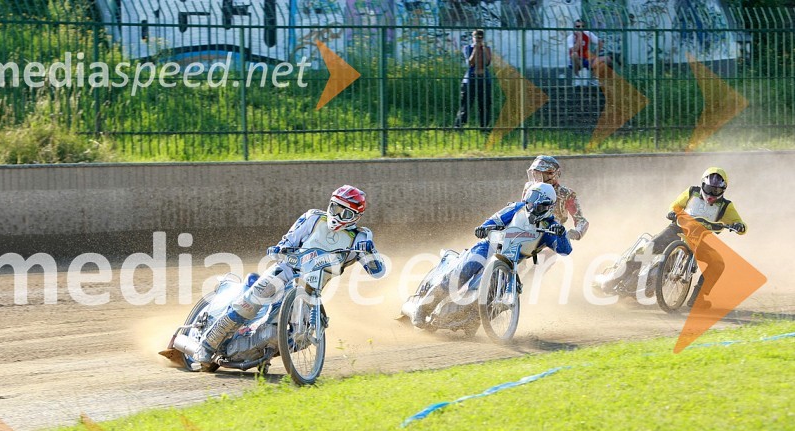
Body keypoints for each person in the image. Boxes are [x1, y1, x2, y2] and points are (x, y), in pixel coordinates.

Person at [192, 185, 386, 367]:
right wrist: (281, 248)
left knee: (300, 336)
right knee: (250, 303)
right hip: (286, 271)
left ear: (356, 217)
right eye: (334, 208)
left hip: (311, 290)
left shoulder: (361, 238)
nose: (336, 215)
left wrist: (369, 252)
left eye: (344, 213)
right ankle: (207, 345)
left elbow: (377, 272)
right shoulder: (313, 218)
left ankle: (263, 350)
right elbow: (288, 240)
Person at [412, 182, 572, 327]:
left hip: (514, 261)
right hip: (489, 246)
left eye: (538, 202)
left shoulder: (552, 226)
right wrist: (484, 227)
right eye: (531, 199)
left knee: (497, 290)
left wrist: (561, 233)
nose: (532, 205)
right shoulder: (517, 208)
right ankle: (423, 308)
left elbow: (565, 250)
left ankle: (472, 319)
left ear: (548, 206)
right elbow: (495, 219)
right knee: (464, 270)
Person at [647, 166, 747, 308]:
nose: (712, 193)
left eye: (716, 190)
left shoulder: (726, 206)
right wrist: (671, 212)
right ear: (702, 184)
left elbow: (740, 224)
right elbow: (675, 205)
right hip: (677, 229)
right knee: (651, 247)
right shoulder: (691, 192)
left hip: (698, 240)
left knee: (717, 263)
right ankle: (624, 271)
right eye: (709, 188)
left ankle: (698, 299)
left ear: (723, 190)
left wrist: (739, 226)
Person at [522, 155, 589, 241]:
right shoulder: (529, 188)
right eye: (535, 174)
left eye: (541, 174)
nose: (537, 178)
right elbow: (522, 209)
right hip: (529, 233)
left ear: (553, 175)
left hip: (553, 237)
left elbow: (581, 221)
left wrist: (577, 233)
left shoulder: (566, 194)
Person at [453, 29, 492, 130]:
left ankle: (484, 128)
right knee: (465, 106)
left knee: (484, 105)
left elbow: (487, 62)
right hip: (470, 80)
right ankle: (458, 127)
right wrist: (475, 49)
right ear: (473, 38)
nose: (478, 40)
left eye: (480, 38)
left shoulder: (487, 48)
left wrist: (483, 49)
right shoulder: (468, 48)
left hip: (484, 79)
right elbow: (470, 62)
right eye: (476, 38)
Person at [567, 19, 609, 86]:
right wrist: (579, 38)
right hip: (576, 60)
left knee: (606, 59)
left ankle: (593, 79)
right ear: (574, 27)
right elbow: (574, 50)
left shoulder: (588, 33)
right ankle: (577, 78)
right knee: (574, 54)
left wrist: (595, 54)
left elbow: (600, 43)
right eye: (578, 26)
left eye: (582, 26)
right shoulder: (571, 37)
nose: (581, 28)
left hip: (586, 58)